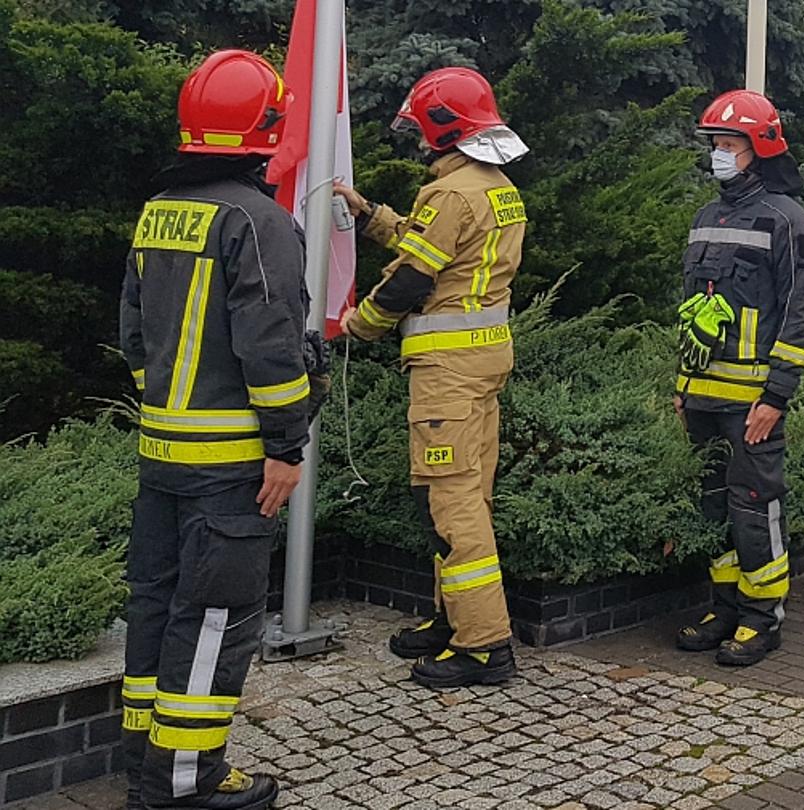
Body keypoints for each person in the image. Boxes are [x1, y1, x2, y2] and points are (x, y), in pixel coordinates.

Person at [120, 49, 312, 809]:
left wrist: (164, 408)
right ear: (265, 127)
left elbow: (134, 334)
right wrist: (286, 445)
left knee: (157, 603)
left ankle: (145, 756)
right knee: (215, 618)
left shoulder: (159, 211)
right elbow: (272, 349)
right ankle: (183, 780)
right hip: (232, 466)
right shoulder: (258, 220)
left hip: (161, 452)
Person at [335, 67, 528, 688]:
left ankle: (482, 645)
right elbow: (441, 249)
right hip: (484, 361)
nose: (416, 139)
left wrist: (357, 326)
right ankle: (454, 621)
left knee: (450, 501)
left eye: (420, 127)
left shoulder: (451, 193)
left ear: (443, 128)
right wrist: (371, 216)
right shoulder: (495, 187)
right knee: (470, 494)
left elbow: (416, 278)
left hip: (447, 371)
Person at [668, 90, 804, 667]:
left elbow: (803, 311)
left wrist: (776, 395)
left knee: (755, 507)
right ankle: (725, 607)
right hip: (703, 396)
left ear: (757, 150)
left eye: (728, 144)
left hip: (753, 401)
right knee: (714, 506)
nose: (717, 153)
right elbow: (693, 308)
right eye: (714, 143)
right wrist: (682, 385)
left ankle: (763, 618)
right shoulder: (707, 218)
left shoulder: (790, 221)